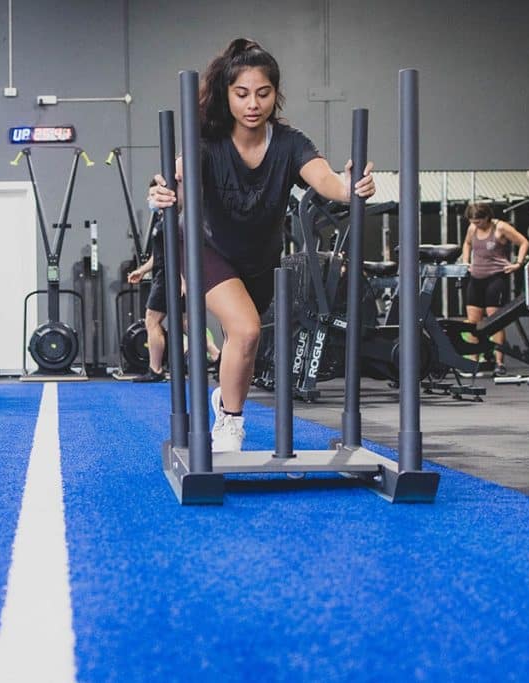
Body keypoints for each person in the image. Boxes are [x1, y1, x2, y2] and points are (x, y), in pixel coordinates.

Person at [148, 38, 375, 453]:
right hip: (206, 249)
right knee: (247, 328)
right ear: (227, 95)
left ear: (275, 93)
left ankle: (224, 400)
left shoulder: (290, 143)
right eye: (242, 94)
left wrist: (351, 186)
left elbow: (324, 179)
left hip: (259, 259)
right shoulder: (207, 141)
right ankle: (231, 423)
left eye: (263, 93)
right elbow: (173, 184)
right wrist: (160, 193)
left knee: (245, 343)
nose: (253, 103)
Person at [126, 207, 221, 382]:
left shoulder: (174, 221)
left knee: (152, 320)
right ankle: (216, 355)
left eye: (154, 193)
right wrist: (141, 270)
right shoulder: (162, 220)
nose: (151, 198)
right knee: (184, 322)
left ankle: (155, 369)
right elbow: (159, 254)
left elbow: (180, 253)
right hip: (164, 275)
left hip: (168, 277)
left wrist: (182, 280)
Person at [461, 202, 529, 376]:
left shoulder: (500, 228)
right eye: (473, 222)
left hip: (496, 278)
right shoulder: (472, 228)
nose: (476, 225)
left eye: (479, 222)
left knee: (495, 321)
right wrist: (466, 261)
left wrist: (518, 264)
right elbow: (467, 244)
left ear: (487, 218)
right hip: (476, 279)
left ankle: (499, 363)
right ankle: (472, 363)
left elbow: (523, 242)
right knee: (472, 323)